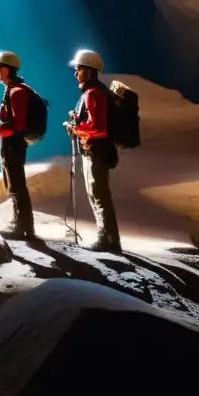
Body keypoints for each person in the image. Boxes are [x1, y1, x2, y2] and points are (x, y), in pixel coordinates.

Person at [65, 48, 122, 254]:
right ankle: (110, 239)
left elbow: (98, 128)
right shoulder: (97, 92)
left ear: (88, 71)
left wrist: (75, 129)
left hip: (96, 153)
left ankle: (106, 239)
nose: (75, 73)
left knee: (98, 194)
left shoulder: (92, 94)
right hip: (100, 151)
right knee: (99, 194)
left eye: (78, 68)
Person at [0, 50, 36, 240]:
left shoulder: (16, 92)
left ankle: (22, 227)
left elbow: (18, 125)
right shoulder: (12, 90)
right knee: (16, 184)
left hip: (13, 145)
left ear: (8, 69)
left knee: (17, 186)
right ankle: (23, 226)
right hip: (12, 144)